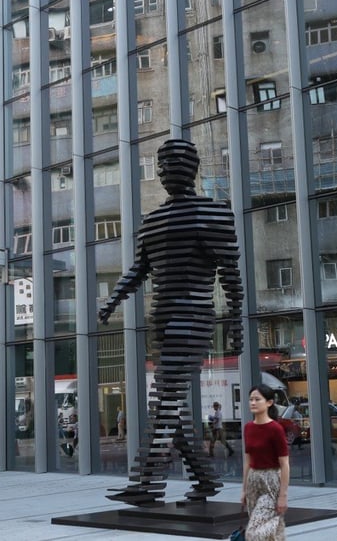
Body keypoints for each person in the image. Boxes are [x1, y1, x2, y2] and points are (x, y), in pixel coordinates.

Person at [98, 138, 243, 506]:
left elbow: (230, 274)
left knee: (161, 402)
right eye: (160, 166)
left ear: (191, 169)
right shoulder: (154, 219)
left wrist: (236, 323)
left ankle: (146, 484)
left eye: (171, 165)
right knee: (169, 406)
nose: (164, 172)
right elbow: (139, 268)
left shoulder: (214, 213)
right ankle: (205, 479)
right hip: (162, 319)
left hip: (193, 316)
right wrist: (114, 298)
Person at [240, 384, 289, 541]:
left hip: (271, 480)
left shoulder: (275, 429)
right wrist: (244, 489)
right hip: (253, 480)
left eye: (257, 399)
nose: (253, 403)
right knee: (270, 533)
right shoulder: (248, 428)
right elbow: (248, 461)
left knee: (254, 533)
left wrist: (283, 496)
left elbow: (285, 464)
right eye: (251, 399)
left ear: (269, 402)